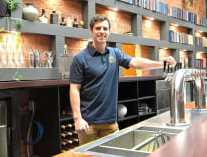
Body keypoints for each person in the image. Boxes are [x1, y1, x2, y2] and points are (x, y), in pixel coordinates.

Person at [69, 15, 176, 145]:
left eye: (105, 28)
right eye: (98, 28)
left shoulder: (115, 53)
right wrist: (77, 118)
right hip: (88, 123)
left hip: (111, 122)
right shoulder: (80, 58)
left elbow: (136, 62)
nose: (102, 31)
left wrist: (161, 63)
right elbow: (74, 88)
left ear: (109, 31)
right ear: (91, 31)